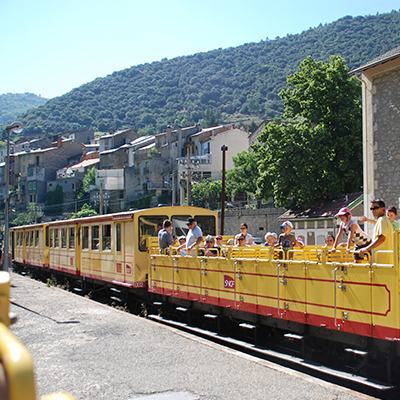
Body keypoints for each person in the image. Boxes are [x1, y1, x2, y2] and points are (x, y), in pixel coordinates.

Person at [359, 199, 394, 264]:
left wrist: (366, 249)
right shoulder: (383, 220)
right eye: (371, 208)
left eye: (375, 208)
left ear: (383, 209)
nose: (373, 210)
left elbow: (382, 238)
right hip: (384, 262)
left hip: (382, 262)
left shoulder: (382, 220)